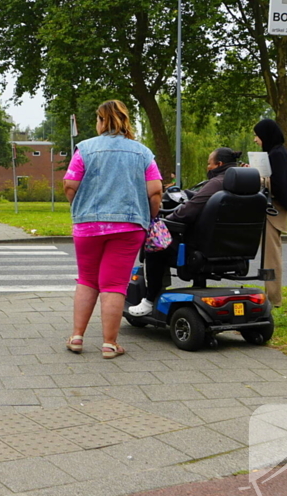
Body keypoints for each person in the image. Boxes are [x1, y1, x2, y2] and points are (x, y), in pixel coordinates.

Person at [63, 100, 162, 359]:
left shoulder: (84, 149)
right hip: (129, 227)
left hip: (88, 225)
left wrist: (80, 207)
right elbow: (155, 191)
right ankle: (109, 344)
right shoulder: (143, 153)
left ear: (102, 120)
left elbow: (70, 185)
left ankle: (77, 337)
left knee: (87, 280)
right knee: (114, 284)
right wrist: (150, 216)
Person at [129, 148, 243, 316]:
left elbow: (188, 212)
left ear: (219, 164)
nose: (207, 167)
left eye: (209, 164)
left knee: (155, 244)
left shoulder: (217, 183)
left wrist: (166, 220)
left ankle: (150, 300)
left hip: (200, 252)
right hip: (236, 252)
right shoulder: (244, 186)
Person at [252, 118, 287, 307]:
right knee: (269, 255)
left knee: (271, 256)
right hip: (273, 210)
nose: (255, 140)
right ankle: (270, 294)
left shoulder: (276, 154)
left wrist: (257, 177)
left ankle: (273, 298)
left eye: (257, 136)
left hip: (273, 211)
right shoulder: (277, 152)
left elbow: (277, 184)